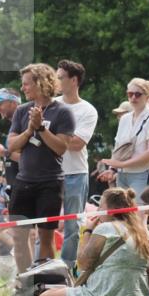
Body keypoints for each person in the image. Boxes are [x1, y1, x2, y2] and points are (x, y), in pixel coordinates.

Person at [35, 188, 149, 296]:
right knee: (57, 292)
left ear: (111, 210)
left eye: (101, 206)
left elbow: (83, 264)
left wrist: (87, 231)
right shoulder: (140, 232)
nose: (97, 211)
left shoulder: (105, 228)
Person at [7, 63, 75, 272]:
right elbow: (11, 146)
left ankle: (43, 286)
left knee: (46, 238)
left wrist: (41, 128)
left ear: (41, 83)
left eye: (27, 84)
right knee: (19, 238)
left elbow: (61, 148)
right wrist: (29, 131)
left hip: (50, 183)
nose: (23, 88)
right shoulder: (21, 111)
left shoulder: (63, 112)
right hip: (23, 182)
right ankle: (25, 285)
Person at [57, 60, 99, 271]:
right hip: (50, 174)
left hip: (75, 173)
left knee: (72, 226)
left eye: (60, 77)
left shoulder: (88, 110)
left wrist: (49, 136)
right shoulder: (50, 105)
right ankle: (42, 270)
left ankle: (66, 270)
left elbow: (77, 144)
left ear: (74, 80)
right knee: (44, 225)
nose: (56, 81)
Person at [97, 78, 149, 200]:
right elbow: (118, 148)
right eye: (130, 94)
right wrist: (112, 169)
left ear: (147, 97)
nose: (133, 98)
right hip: (122, 175)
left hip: (142, 173)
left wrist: (122, 164)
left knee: (138, 216)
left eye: (138, 94)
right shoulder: (125, 118)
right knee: (124, 216)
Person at [0, 87, 22, 189]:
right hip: (14, 189)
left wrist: (4, 152)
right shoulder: (13, 127)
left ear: (13, 103)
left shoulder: (26, 125)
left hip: (27, 190)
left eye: (0, 104)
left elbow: (31, 159)